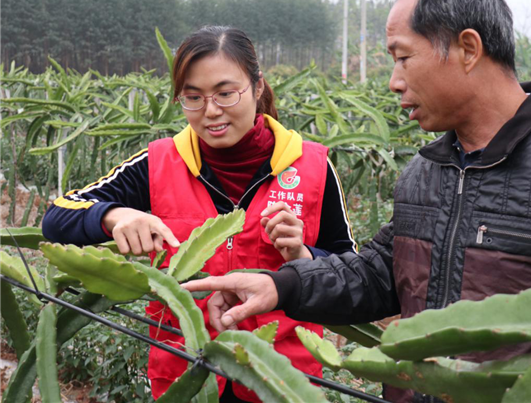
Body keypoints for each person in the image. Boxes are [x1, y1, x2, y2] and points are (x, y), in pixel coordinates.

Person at [182, 0, 531, 403]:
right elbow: (378, 274)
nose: (394, 81)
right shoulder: (425, 172)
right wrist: (279, 285)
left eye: (403, 57)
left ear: (468, 49)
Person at [42, 26, 357, 402]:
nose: (211, 111)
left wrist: (304, 256)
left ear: (257, 87)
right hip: (185, 376)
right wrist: (115, 216)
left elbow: (350, 270)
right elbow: (57, 217)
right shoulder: (159, 162)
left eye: (225, 93)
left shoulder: (312, 167)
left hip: (283, 381)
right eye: (193, 97)